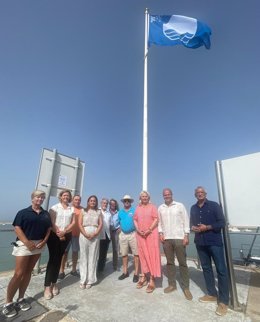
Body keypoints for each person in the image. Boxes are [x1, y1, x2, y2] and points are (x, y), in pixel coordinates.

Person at [2, 190, 52, 318]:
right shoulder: (23, 212)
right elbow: (17, 228)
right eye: (37, 197)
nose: (40, 199)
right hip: (24, 244)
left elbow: (48, 229)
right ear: (32, 198)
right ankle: (8, 303)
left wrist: (44, 241)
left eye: (42, 197)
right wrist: (26, 242)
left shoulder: (46, 214)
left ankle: (21, 298)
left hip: (39, 245)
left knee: (28, 272)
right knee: (18, 273)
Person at [190, 186, 229, 316]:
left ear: (205, 194)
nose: (199, 194)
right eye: (197, 193)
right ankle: (212, 294)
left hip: (214, 242)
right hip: (200, 243)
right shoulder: (193, 208)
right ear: (195, 195)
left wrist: (207, 227)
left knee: (221, 271)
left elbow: (222, 222)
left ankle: (223, 301)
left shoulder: (214, 205)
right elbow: (192, 224)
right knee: (206, 269)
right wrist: (193, 228)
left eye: (202, 192)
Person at [158, 188, 192, 300]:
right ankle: (172, 285)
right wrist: (160, 233)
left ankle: (186, 287)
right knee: (170, 262)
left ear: (172, 194)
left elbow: (186, 220)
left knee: (182, 263)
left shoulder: (179, 205)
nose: (167, 196)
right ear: (163, 196)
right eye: (165, 194)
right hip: (166, 238)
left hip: (179, 237)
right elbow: (159, 222)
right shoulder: (160, 208)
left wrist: (186, 235)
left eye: (168, 194)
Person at [44, 189, 75, 300]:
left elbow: (73, 222)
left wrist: (64, 232)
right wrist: (58, 233)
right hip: (54, 236)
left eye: (68, 195)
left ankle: (54, 283)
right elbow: (52, 222)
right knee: (52, 260)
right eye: (64, 195)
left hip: (66, 236)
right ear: (61, 197)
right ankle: (47, 287)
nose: (66, 197)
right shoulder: (54, 208)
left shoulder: (72, 209)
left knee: (58, 260)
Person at [134, 191, 161, 293]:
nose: (144, 198)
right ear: (140, 198)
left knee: (152, 256)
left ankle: (152, 279)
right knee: (143, 256)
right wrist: (138, 229)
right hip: (140, 234)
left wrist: (149, 229)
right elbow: (135, 219)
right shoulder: (138, 208)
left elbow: (156, 219)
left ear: (149, 197)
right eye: (142, 196)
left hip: (151, 234)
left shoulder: (153, 207)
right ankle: (144, 276)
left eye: (146, 196)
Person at [78, 195, 103, 289]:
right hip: (84, 234)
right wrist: (84, 233)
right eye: (91, 200)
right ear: (88, 202)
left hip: (95, 236)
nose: (92, 202)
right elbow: (79, 223)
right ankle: (83, 279)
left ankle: (90, 279)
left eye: (94, 201)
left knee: (93, 257)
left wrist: (96, 233)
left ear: (96, 202)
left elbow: (100, 224)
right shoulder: (83, 211)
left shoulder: (98, 212)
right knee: (84, 256)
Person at [58, 195, 82, 279]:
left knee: (75, 252)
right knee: (64, 252)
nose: (77, 201)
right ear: (72, 200)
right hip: (67, 234)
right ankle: (61, 271)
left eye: (79, 200)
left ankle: (74, 270)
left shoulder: (82, 210)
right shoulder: (68, 208)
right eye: (76, 199)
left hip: (77, 235)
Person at [118, 194, 139, 282]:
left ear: (130, 202)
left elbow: (138, 220)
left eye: (128, 201)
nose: (127, 202)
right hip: (123, 234)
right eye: (125, 200)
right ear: (123, 202)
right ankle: (125, 272)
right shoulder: (120, 212)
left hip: (133, 234)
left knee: (136, 254)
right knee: (124, 254)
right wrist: (120, 228)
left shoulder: (135, 210)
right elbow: (119, 222)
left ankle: (136, 273)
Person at [97, 198, 111, 273]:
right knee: (95, 253)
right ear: (101, 203)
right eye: (104, 203)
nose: (105, 204)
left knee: (103, 253)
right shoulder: (97, 211)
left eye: (106, 203)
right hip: (98, 234)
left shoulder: (109, 214)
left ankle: (100, 269)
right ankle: (93, 269)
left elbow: (110, 225)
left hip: (107, 235)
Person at [109, 198, 120, 271]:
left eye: (114, 203)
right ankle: (101, 264)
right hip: (107, 231)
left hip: (115, 231)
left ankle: (115, 265)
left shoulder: (118, 212)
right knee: (103, 248)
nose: (112, 205)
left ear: (115, 204)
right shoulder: (106, 212)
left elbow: (122, 220)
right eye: (111, 203)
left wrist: (120, 228)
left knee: (115, 248)